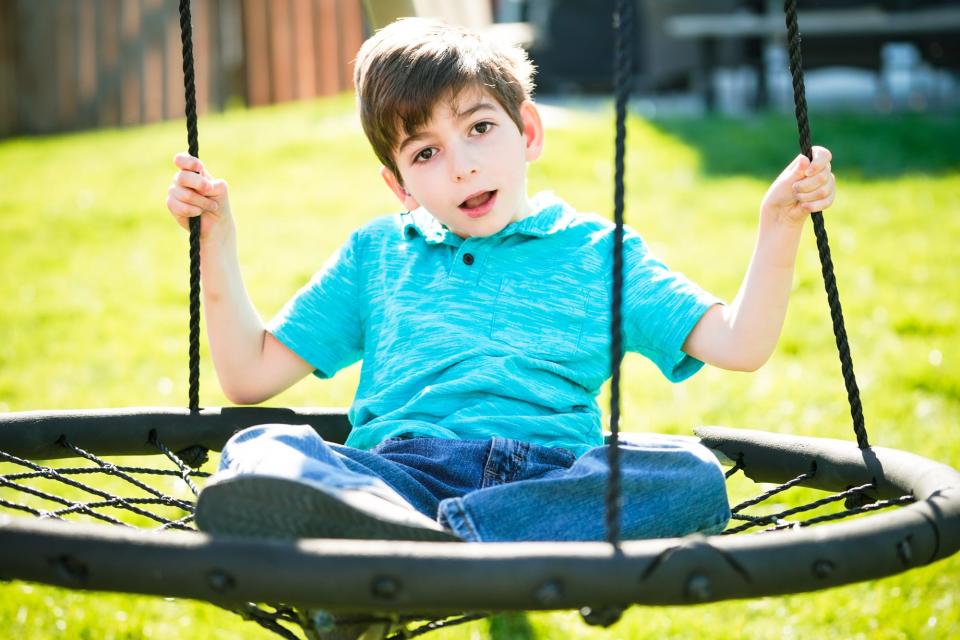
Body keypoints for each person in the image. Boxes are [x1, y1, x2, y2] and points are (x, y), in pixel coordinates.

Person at [165, 18, 836, 543]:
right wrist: (215, 240)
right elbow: (248, 376)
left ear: (529, 131)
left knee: (688, 476)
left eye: (480, 128)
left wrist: (777, 225)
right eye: (425, 152)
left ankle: (442, 544)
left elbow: (740, 344)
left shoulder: (599, 253)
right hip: (398, 478)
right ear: (397, 186)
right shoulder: (377, 255)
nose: (461, 166)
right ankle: (394, 538)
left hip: (548, 479)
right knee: (263, 448)